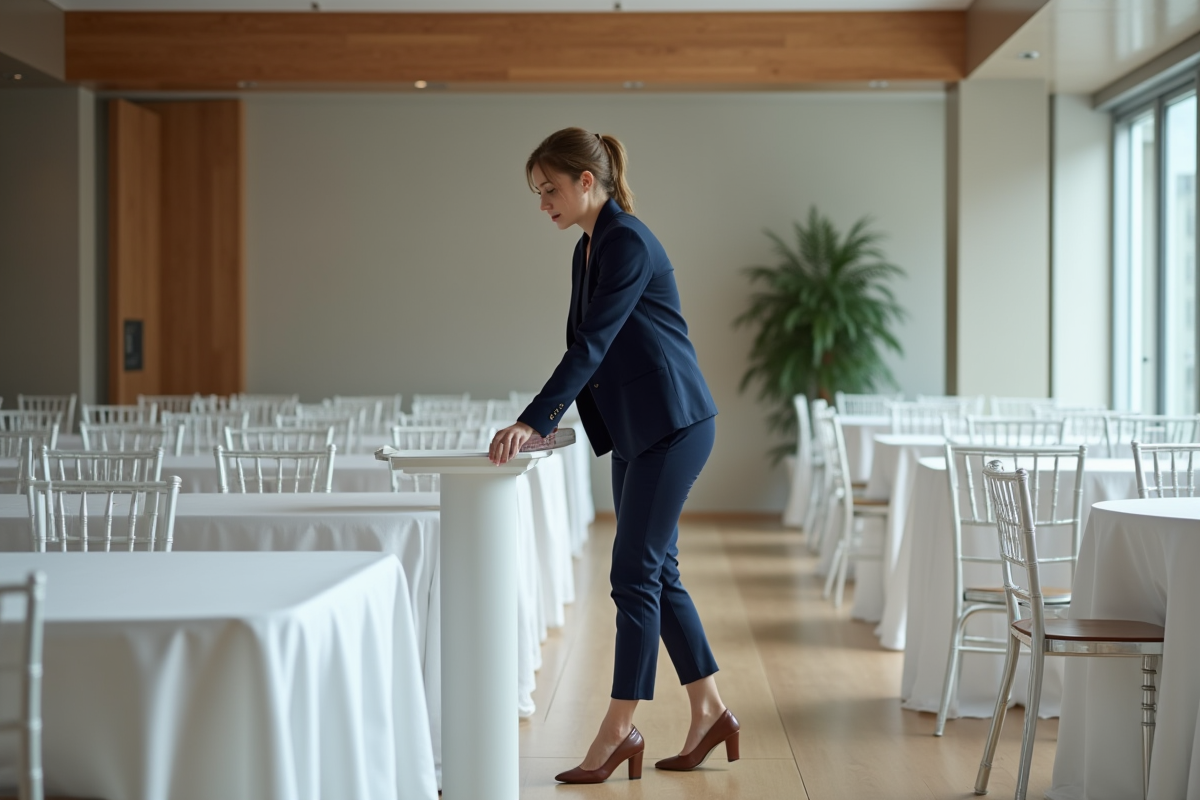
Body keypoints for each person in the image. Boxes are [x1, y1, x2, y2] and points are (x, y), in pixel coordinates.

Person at [488, 127, 739, 784]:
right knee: (658, 574)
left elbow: (590, 346)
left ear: (587, 182)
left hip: (675, 425)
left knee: (632, 574)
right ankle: (710, 710)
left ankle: (617, 728)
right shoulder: (590, 247)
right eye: (539, 192)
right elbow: (590, 346)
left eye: (550, 189)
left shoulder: (626, 240)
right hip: (638, 429)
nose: (543, 202)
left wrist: (532, 419)